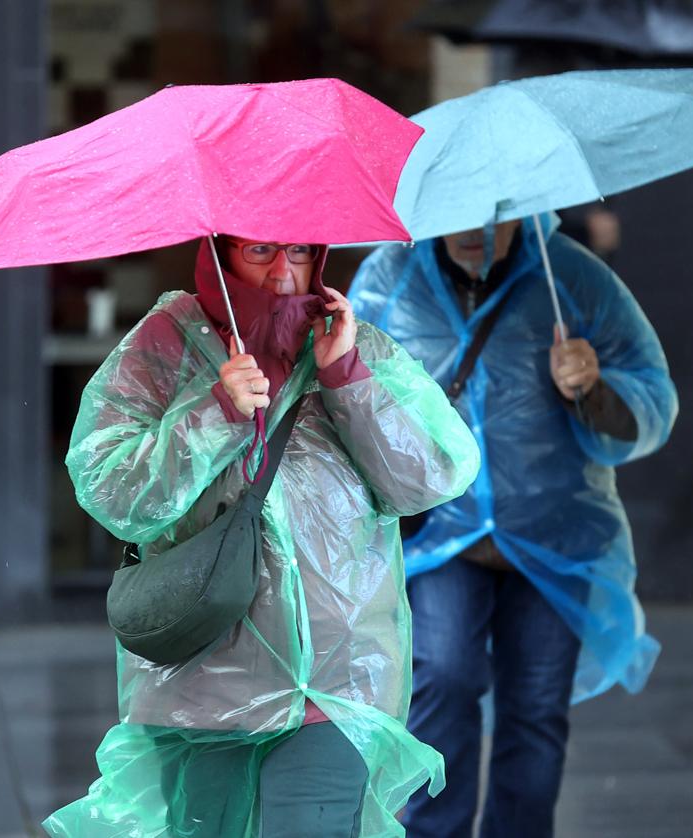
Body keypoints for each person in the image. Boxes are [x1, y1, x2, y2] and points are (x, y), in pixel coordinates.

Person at [45, 235, 481, 837]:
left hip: (335, 685)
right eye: (260, 252)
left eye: (301, 252)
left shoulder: (350, 342)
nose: (283, 271)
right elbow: (109, 486)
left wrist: (346, 376)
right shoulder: (166, 343)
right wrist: (213, 409)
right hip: (201, 684)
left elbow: (432, 475)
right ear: (222, 254)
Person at [348, 216, 678, 838]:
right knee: (442, 677)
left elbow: (653, 391)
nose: (475, 228)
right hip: (443, 536)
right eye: (458, 213)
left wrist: (593, 387)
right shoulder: (388, 279)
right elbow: (345, 389)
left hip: (556, 536)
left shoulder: (571, 277)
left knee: (535, 708)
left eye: (492, 214)